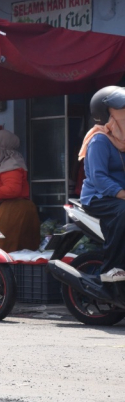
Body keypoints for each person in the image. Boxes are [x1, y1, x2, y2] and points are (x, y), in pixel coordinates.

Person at [78, 86, 125, 282]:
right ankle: (111, 269)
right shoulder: (99, 140)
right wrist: (122, 193)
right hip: (99, 197)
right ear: (105, 115)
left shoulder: (121, 140)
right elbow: (98, 177)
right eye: (121, 111)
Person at [0, 129, 40, 252]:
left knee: (2, 250)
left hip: (12, 211)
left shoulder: (11, 164)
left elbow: (13, 190)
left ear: (2, 147)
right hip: (11, 210)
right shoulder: (3, 163)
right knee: (18, 251)